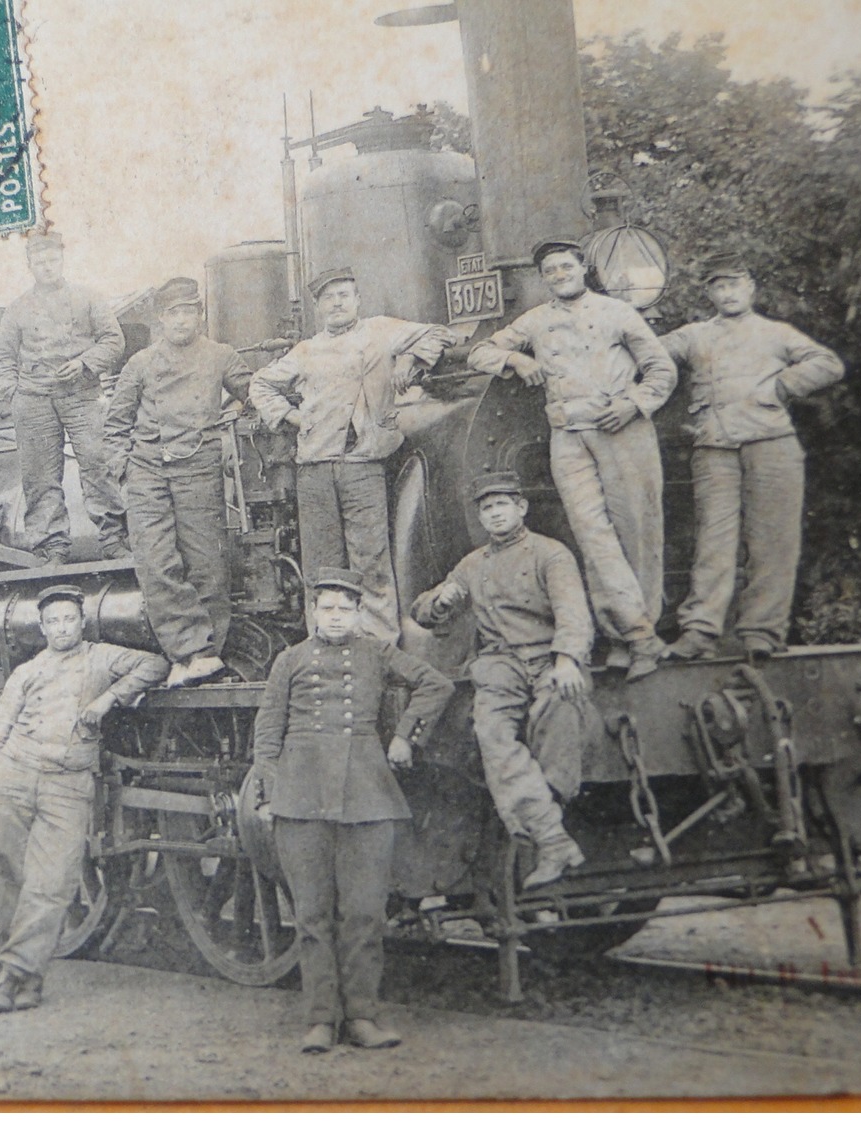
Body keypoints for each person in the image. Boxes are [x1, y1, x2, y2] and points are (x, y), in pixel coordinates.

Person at [252, 567, 454, 1053]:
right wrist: (268, 792)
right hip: (301, 796)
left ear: (359, 613)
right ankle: (321, 1019)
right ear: (313, 613)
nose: (337, 617)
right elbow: (267, 730)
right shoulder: (290, 660)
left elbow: (436, 685)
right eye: (328, 608)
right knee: (312, 914)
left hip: (367, 795)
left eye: (346, 608)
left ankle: (362, 1016)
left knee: (364, 914)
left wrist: (406, 734)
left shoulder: (376, 652)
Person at [467, 239, 676, 680]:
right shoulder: (537, 320)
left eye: (566, 266)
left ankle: (635, 633)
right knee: (591, 535)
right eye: (550, 271)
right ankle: (635, 639)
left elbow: (661, 370)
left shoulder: (617, 313)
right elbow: (479, 352)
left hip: (623, 430)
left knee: (637, 532)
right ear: (543, 279)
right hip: (568, 436)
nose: (560, 275)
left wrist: (634, 403)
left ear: (583, 267)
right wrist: (515, 361)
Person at [0, 585, 168, 1012]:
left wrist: (108, 698)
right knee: (5, 875)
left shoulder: (100, 657)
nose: (62, 628)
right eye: (54, 621)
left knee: (53, 883)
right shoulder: (26, 672)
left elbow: (154, 663)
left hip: (67, 783)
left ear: (82, 622)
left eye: (69, 619)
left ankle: (11, 976)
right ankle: (23, 976)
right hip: (13, 774)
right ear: (42, 628)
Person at [410, 471, 596, 888]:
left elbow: (573, 612)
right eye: (487, 509)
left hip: (549, 657)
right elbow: (422, 612)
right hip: (500, 666)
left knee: (560, 717)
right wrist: (439, 601)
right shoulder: (473, 565)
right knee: (493, 734)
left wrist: (567, 660)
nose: (495, 515)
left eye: (502, 505)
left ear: (521, 508)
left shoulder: (551, 554)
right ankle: (552, 839)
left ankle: (550, 834)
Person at [249, 268, 456, 642]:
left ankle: (379, 643)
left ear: (358, 300)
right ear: (318, 308)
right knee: (322, 564)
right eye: (329, 298)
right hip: (314, 469)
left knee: (371, 560)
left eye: (344, 295)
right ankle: (324, 642)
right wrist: (293, 417)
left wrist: (409, 360)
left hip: (363, 466)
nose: (337, 303)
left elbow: (437, 333)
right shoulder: (306, 350)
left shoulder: (380, 330)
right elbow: (260, 384)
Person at [660, 252, 845, 660]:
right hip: (715, 449)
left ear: (750, 287)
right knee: (713, 542)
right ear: (709, 292)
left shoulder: (775, 332)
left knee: (773, 541)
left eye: (735, 284)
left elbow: (828, 363)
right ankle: (699, 631)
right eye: (719, 286)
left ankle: (762, 633)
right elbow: (650, 353)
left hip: (772, 444)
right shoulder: (694, 335)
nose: (728, 293)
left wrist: (782, 386)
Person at [103, 277, 253, 687]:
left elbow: (256, 394)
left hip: (198, 469)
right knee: (155, 561)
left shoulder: (221, 356)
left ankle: (207, 655)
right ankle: (187, 650)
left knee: (206, 564)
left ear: (200, 316)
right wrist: (124, 468)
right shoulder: (141, 364)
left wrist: (230, 425)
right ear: (161, 320)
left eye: (190, 311)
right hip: (148, 469)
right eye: (174, 313)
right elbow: (115, 424)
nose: (182, 320)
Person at [0, 233, 129, 564]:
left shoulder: (88, 299)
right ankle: (52, 547)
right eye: (40, 262)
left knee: (99, 464)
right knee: (39, 476)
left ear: (62, 260)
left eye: (52, 260)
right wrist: (14, 393)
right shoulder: (17, 310)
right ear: (30, 265)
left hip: (82, 394)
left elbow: (113, 340)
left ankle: (113, 539)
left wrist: (84, 363)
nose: (47, 267)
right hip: (34, 400)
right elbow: (1, 358)